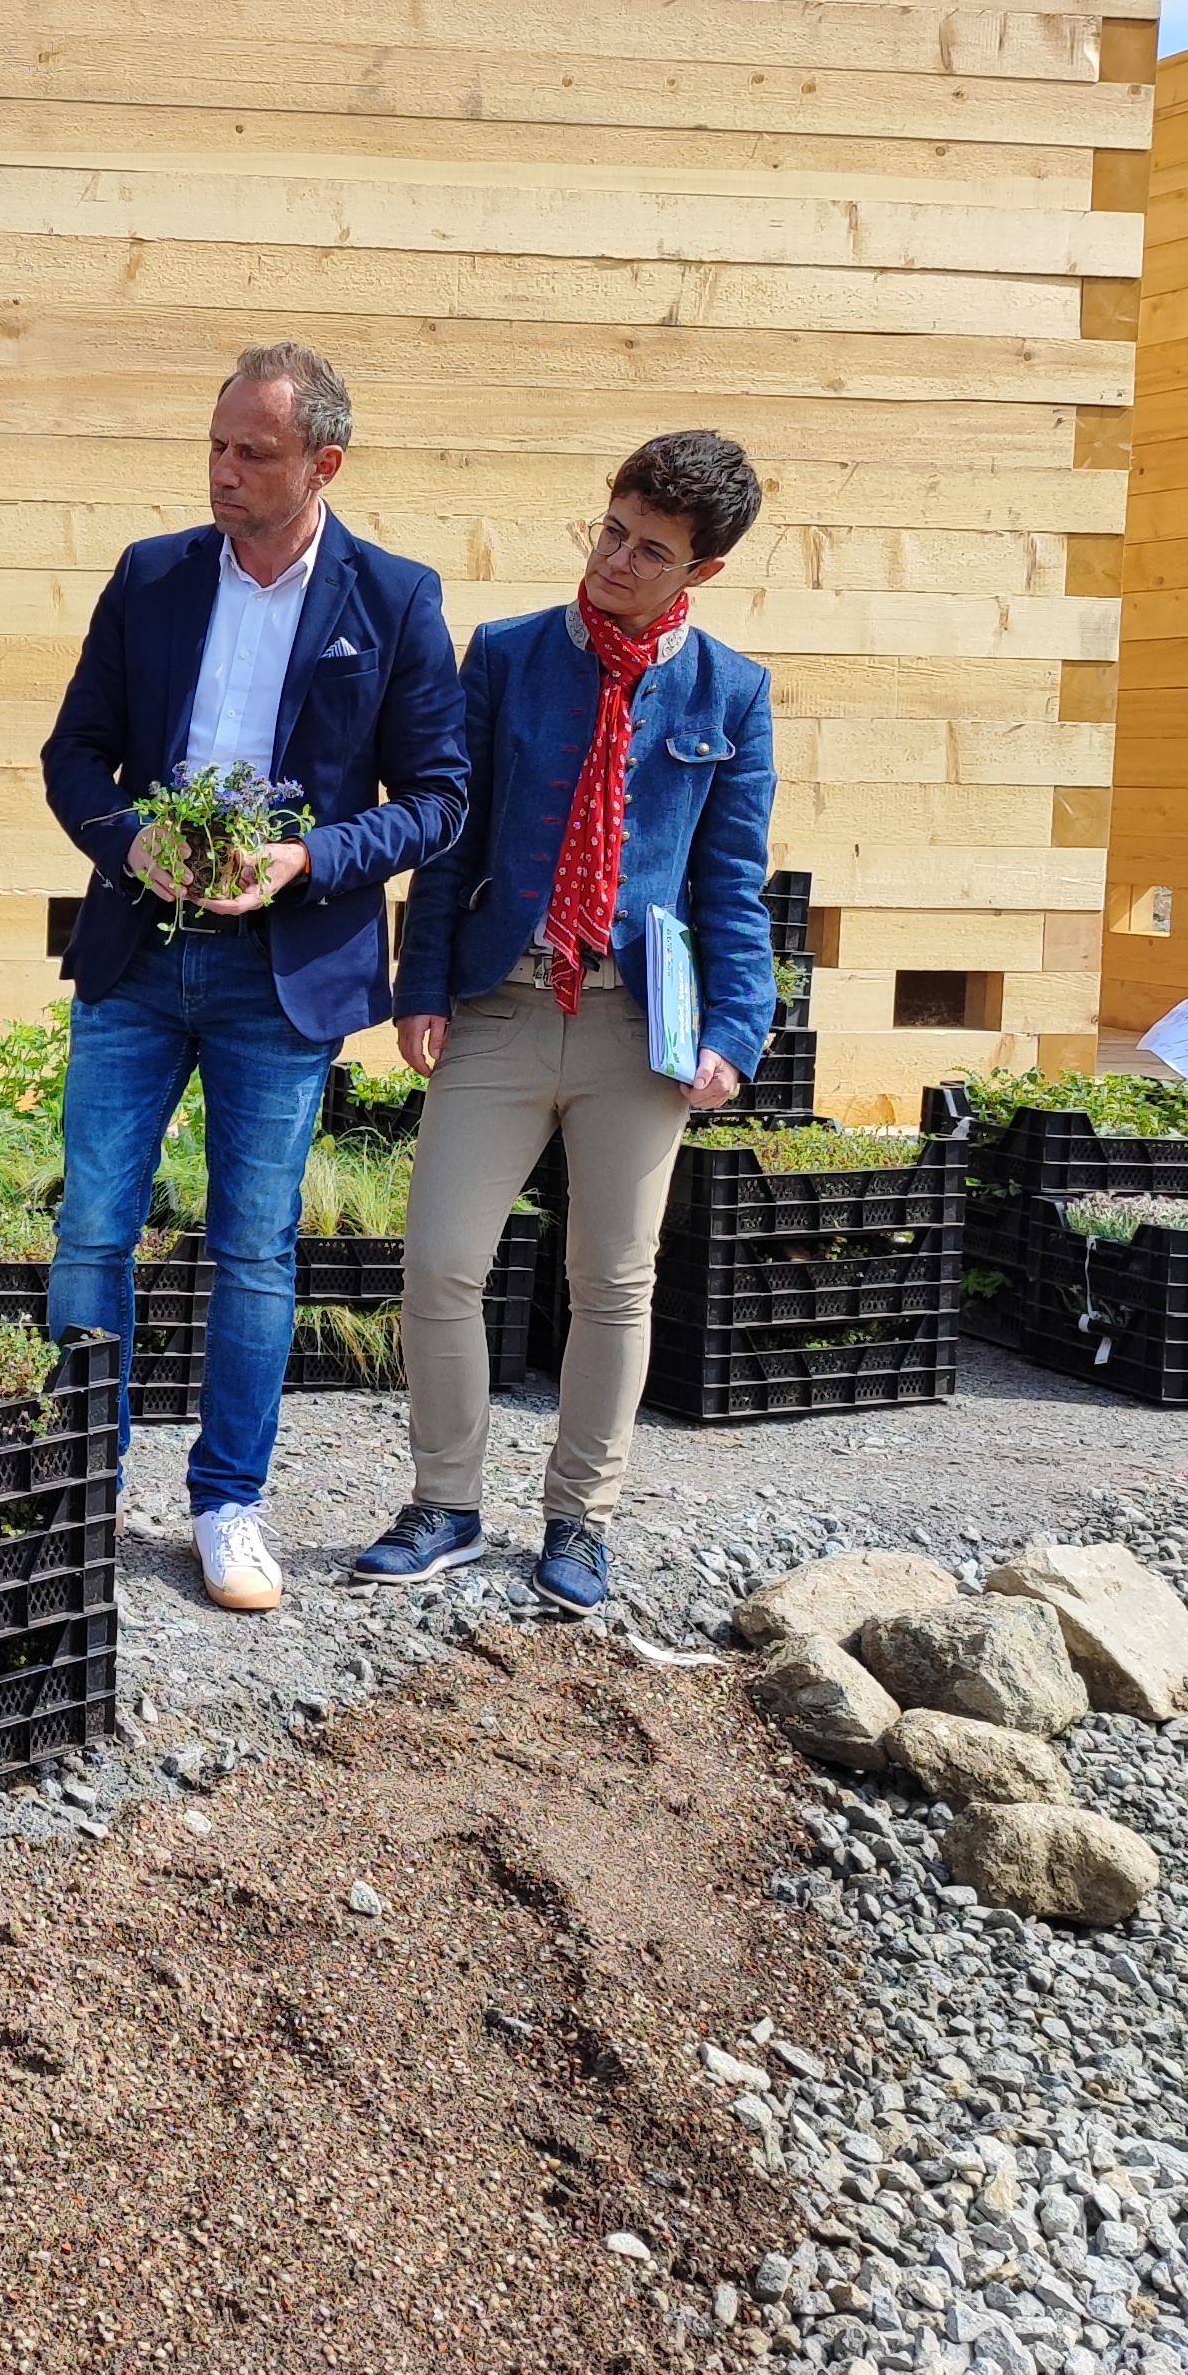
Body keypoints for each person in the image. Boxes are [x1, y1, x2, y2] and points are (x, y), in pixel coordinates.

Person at [37, 342, 468, 1616]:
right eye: (216, 446)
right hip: (136, 952)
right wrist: (131, 838)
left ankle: (227, 1503)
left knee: (254, 1249)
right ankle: (73, 1485)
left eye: (253, 453)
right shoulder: (152, 574)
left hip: (283, 974)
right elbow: (74, 755)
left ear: (322, 463)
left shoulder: (392, 599)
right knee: (91, 1226)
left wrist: (304, 859)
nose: (222, 471)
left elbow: (437, 799)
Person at [371, 430, 778, 1616]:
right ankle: (444, 1504)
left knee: (612, 1278)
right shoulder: (505, 655)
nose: (614, 560)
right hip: (500, 1004)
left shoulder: (730, 692)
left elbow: (731, 881)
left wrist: (735, 1030)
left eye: (650, 551)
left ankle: (579, 1521)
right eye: (610, 531)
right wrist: (421, 983)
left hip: (634, 1026)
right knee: (440, 1262)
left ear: (701, 571)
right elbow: (451, 839)